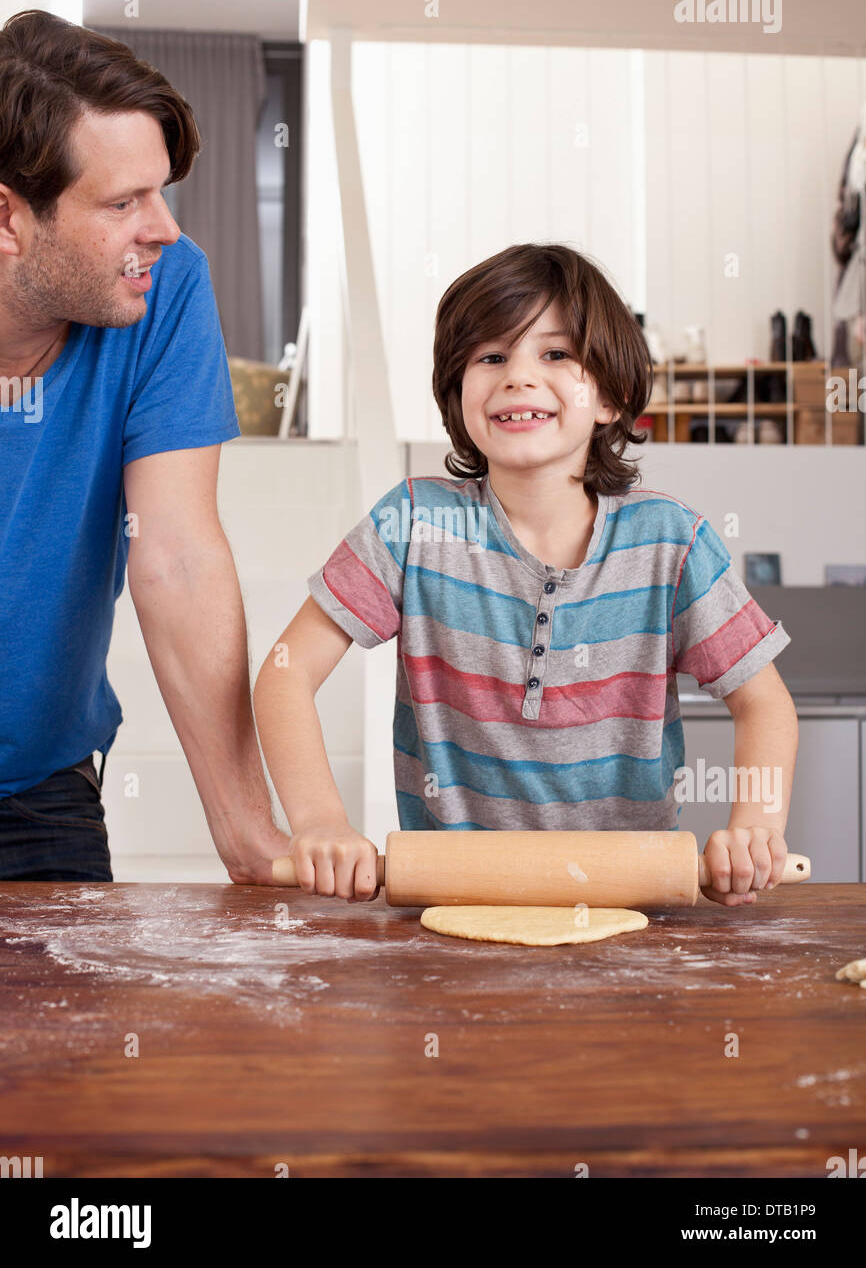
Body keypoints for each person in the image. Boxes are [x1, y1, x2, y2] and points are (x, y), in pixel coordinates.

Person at [254, 244, 798, 908]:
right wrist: (319, 825)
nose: (517, 377)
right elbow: (285, 674)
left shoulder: (671, 542)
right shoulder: (414, 524)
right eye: (491, 357)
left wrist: (756, 827)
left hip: (628, 912)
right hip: (451, 912)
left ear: (610, 395)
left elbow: (763, 702)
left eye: (555, 354)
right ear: (458, 390)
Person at [0, 10, 292, 883]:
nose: (161, 228)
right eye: (123, 203)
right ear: (8, 218)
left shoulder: (164, 286)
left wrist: (250, 835)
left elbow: (174, 554)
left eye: (159, 192)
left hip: (40, 789)